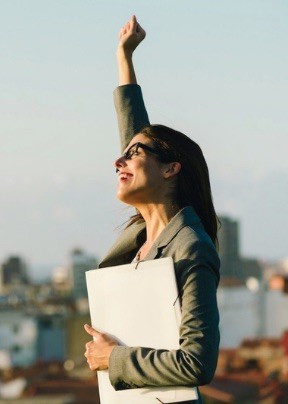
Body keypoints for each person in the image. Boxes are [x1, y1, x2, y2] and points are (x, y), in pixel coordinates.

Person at [84, 15, 220, 403]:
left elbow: (198, 363)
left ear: (171, 168)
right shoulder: (143, 235)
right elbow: (135, 132)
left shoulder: (191, 247)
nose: (118, 161)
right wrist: (123, 57)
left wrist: (114, 358)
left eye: (132, 155)